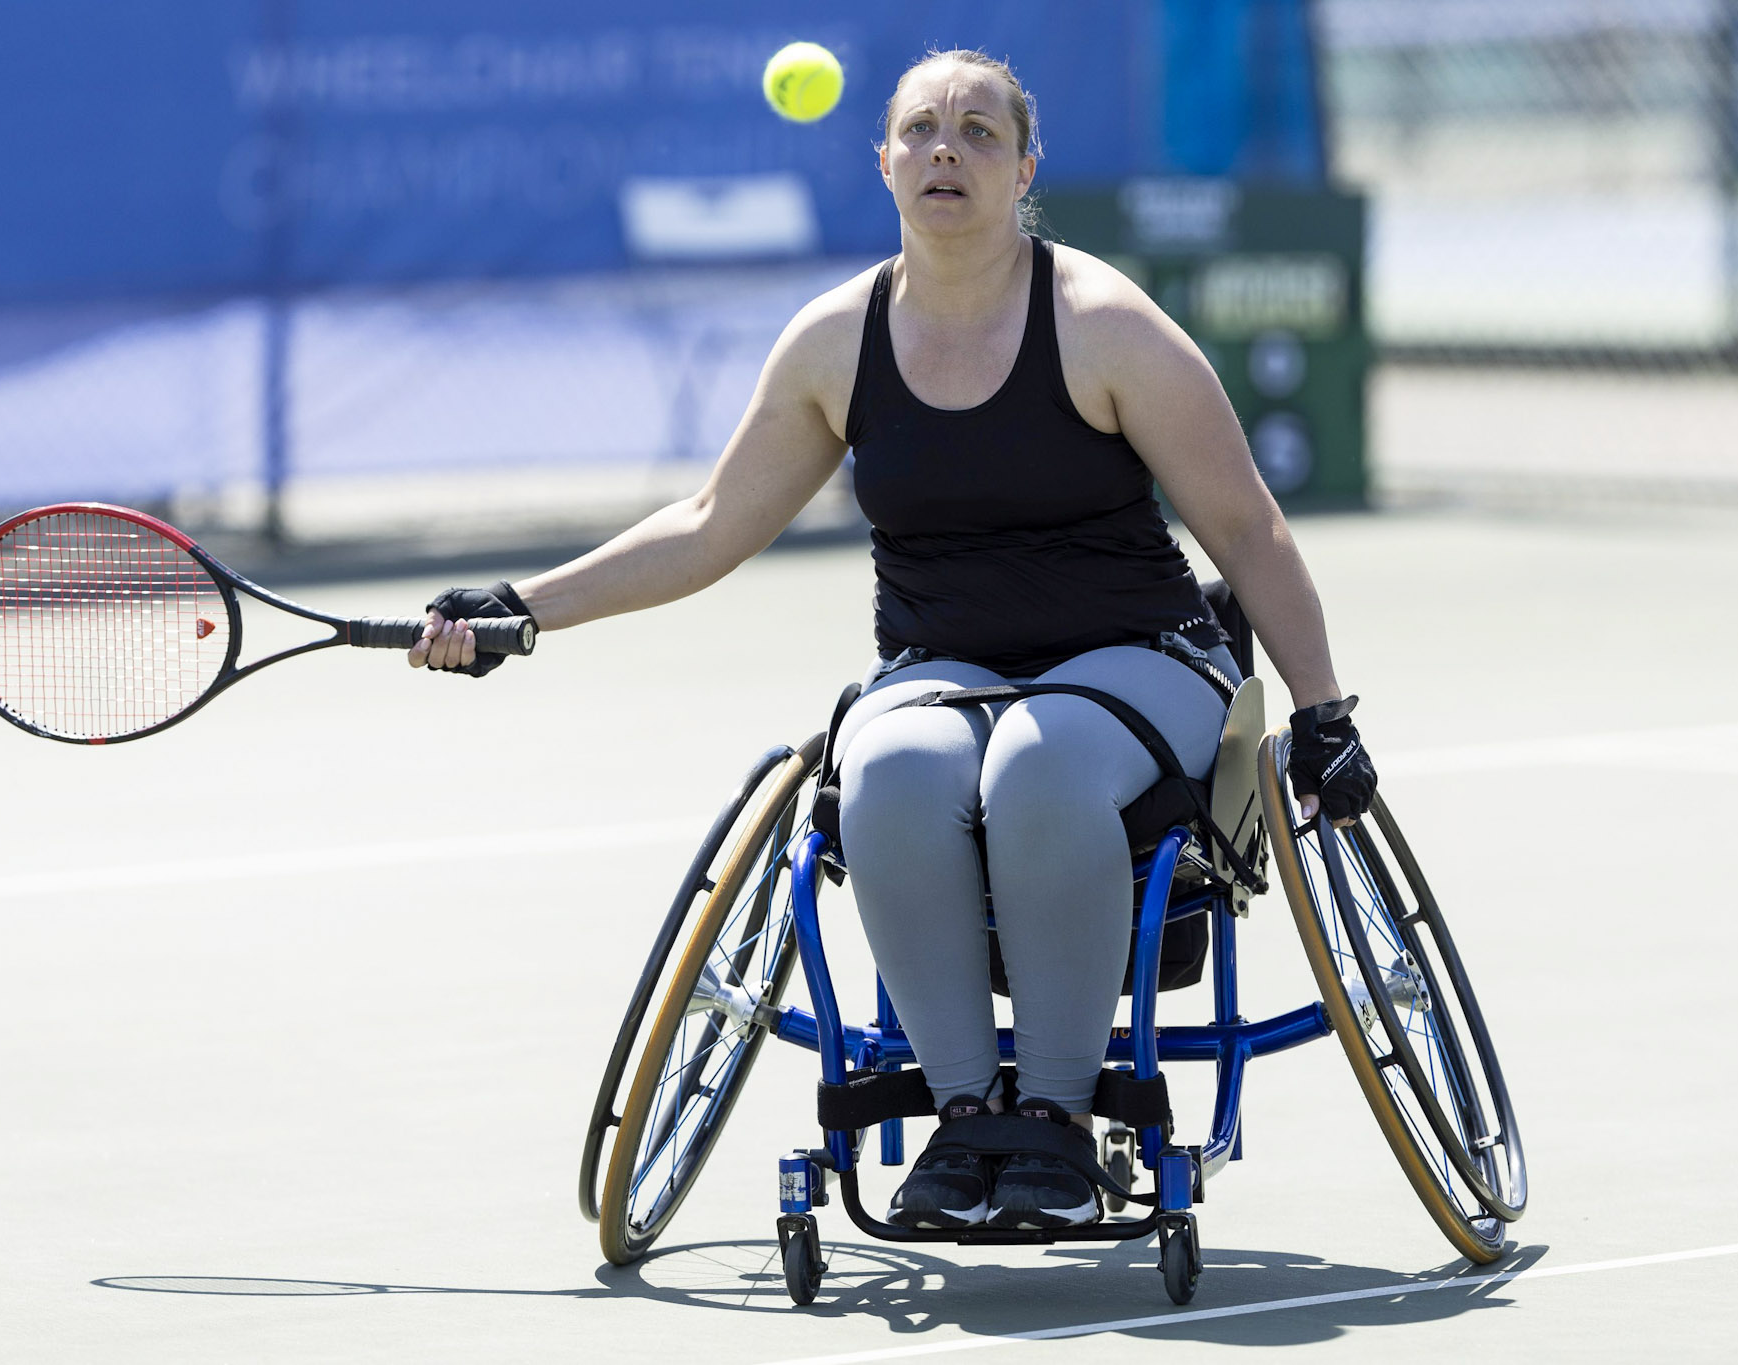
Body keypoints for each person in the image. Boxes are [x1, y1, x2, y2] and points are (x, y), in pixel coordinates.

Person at [412, 49, 1376, 1232]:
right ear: (882, 162)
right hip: (941, 669)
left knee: (1038, 765)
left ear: (1024, 169)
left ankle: (1059, 1125)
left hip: (1141, 657)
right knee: (884, 776)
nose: (945, 151)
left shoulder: (1103, 325)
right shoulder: (833, 342)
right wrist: (524, 607)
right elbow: (712, 525)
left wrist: (1324, 714)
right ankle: (969, 1124)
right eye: (921, 129)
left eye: (978, 132)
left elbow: (1246, 528)